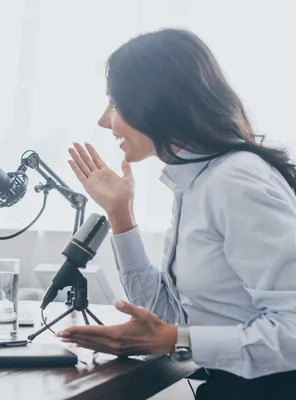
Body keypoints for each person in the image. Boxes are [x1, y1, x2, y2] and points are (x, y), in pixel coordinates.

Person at [58, 29, 296, 399]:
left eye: (115, 104)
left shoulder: (236, 180)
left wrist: (172, 339)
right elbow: (168, 316)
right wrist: (121, 215)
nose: (105, 121)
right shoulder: (195, 184)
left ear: (155, 103)